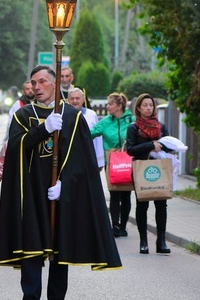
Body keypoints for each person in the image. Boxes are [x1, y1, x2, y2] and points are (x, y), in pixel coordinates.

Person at [0, 65, 121, 300]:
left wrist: (66, 183)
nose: (37, 87)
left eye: (42, 82)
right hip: (31, 193)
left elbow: (82, 160)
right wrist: (43, 130)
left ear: (54, 84)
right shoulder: (23, 115)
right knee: (31, 248)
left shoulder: (73, 117)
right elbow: (16, 148)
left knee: (58, 252)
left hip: (59, 193)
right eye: (33, 82)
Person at [126, 93, 171, 254]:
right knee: (142, 204)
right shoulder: (134, 128)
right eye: (145, 105)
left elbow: (169, 145)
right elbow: (130, 150)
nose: (148, 108)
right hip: (141, 169)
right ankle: (143, 242)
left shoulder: (161, 126)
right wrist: (150, 145)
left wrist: (162, 146)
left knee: (161, 204)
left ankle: (161, 241)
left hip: (159, 169)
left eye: (151, 105)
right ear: (138, 108)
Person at [90, 92, 134, 237]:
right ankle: (114, 225)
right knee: (114, 193)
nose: (107, 106)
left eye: (110, 104)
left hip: (128, 161)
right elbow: (90, 133)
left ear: (119, 106)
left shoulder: (131, 121)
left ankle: (123, 225)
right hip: (112, 162)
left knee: (126, 194)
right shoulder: (106, 122)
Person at [67, 87, 104, 170]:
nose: (75, 101)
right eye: (72, 98)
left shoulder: (91, 115)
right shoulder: (64, 115)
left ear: (83, 99)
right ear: (68, 100)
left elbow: (98, 139)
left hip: (89, 158)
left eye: (77, 98)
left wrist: (99, 161)